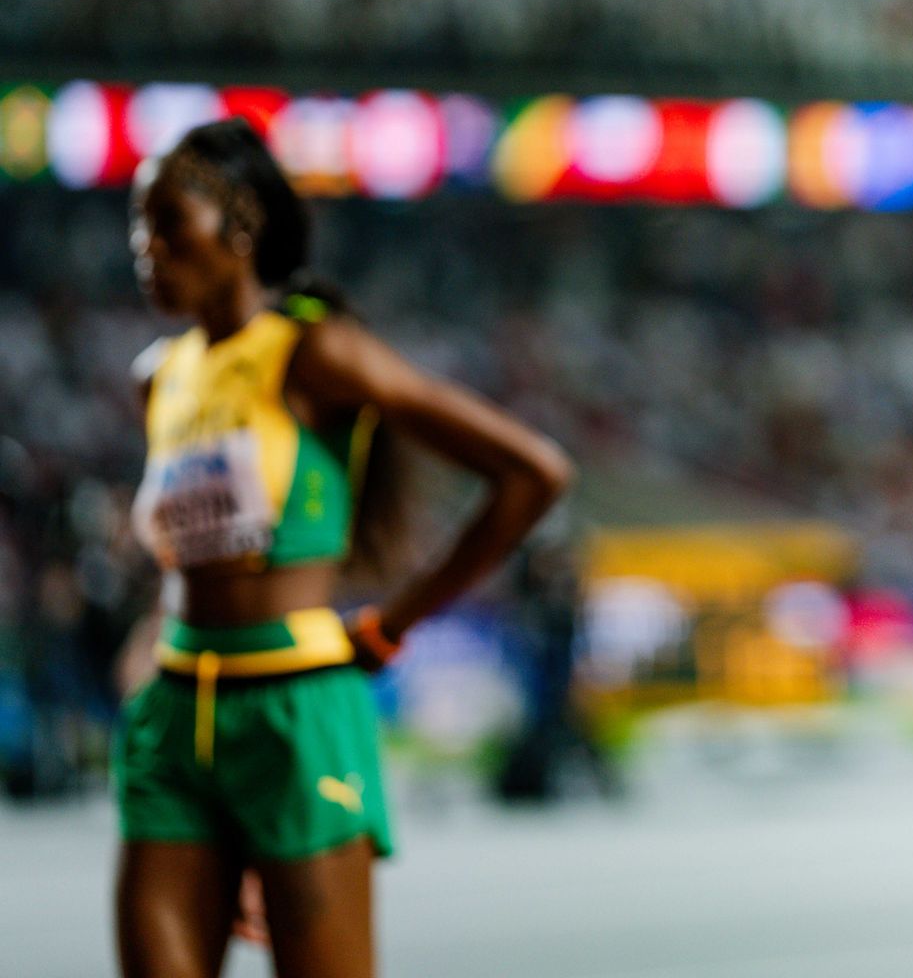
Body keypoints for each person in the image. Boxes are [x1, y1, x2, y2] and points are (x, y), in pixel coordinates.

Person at [115, 117, 574, 978]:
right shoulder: (158, 378)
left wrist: (397, 622)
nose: (145, 246)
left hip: (297, 711)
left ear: (239, 228)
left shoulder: (314, 350)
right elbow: (188, 557)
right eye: (136, 226)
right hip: (173, 719)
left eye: (164, 221)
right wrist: (149, 643)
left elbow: (532, 473)